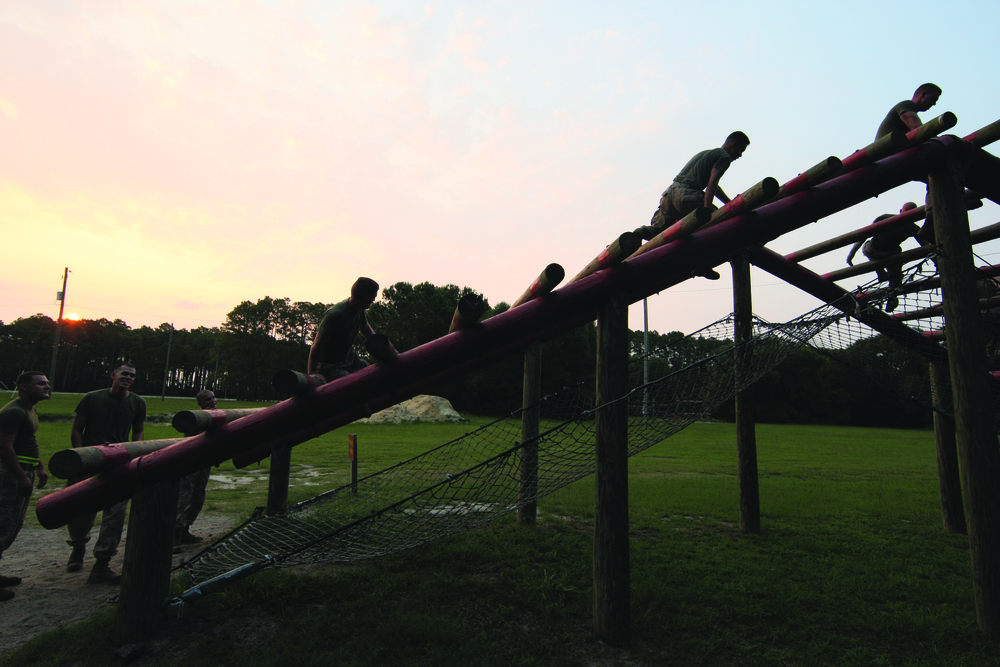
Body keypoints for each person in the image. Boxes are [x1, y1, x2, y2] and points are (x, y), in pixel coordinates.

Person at [65, 363, 146, 585]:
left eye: (132, 375)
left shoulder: (137, 402)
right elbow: (76, 429)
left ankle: (102, 564)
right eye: (124, 374)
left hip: (118, 462)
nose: (128, 378)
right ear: (113, 375)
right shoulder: (92, 398)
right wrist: (81, 456)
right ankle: (78, 548)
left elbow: (138, 429)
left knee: (116, 514)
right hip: (90, 460)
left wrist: (133, 449)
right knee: (81, 509)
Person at [635, 131, 751, 279]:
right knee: (718, 222)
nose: (740, 156)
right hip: (686, 195)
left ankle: (639, 233)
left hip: (669, 194)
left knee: (661, 232)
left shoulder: (707, 153)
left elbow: (714, 186)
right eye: (740, 150)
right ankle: (701, 263)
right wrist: (707, 210)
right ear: (733, 145)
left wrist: (729, 203)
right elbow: (712, 182)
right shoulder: (724, 157)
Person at [0, 372, 51, 601]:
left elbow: (28, 440)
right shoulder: (13, 411)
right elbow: (5, 448)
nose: (46, 386)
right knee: (3, 523)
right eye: (41, 383)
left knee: (12, 524)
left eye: (47, 383)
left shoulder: (29, 409)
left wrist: (39, 467)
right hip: (9, 475)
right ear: (23, 386)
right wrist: (20, 477)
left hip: (23, 471)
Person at [875, 83, 941, 245]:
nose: (934, 104)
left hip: (898, 158)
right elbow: (918, 128)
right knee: (939, 170)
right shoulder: (906, 106)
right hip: (890, 158)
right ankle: (932, 222)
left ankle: (933, 221)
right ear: (923, 94)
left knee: (937, 177)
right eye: (933, 99)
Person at [846, 202, 921, 312]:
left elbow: (865, 234)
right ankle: (891, 291)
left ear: (901, 211)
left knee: (869, 246)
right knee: (896, 277)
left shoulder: (886, 217)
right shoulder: (911, 226)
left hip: (875, 252)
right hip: (889, 254)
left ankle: (885, 279)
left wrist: (851, 254)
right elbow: (924, 243)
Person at [308, 277, 380, 382]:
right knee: (351, 383)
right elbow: (316, 344)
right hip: (330, 364)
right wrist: (313, 373)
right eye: (373, 298)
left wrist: (384, 351)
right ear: (365, 299)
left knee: (371, 373)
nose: (374, 300)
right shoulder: (336, 315)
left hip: (348, 356)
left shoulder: (359, 310)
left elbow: (368, 332)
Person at [174, 389, 215, 548]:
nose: (212, 401)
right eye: (207, 400)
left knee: (198, 498)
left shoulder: (216, 416)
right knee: (183, 499)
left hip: (204, 463)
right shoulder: (196, 418)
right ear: (200, 404)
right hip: (190, 463)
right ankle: (173, 535)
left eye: (213, 398)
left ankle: (185, 530)